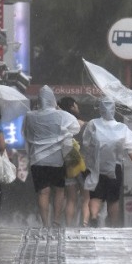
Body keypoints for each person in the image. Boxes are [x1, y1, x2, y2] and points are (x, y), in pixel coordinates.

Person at [23, 86, 81, 227]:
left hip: (37, 159)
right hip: (57, 159)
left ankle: (45, 224)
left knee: (43, 192)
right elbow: (76, 127)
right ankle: (56, 221)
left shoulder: (30, 116)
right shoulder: (61, 116)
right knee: (59, 190)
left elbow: (25, 133)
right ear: (52, 100)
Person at [82, 97, 132, 228]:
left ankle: (93, 216)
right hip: (115, 168)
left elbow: (86, 143)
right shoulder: (122, 128)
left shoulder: (93, 124)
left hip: (95, 167)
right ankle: (113, 225)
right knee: (113, 199)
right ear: (114, 110)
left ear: (101, 109)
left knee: (95, 196)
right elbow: (131, 147)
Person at [58, 96, 90, 227]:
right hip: (84, 165)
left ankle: (69, 225)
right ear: (72, 107)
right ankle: (84, 224)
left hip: (68, 164)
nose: (78, 107)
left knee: (71, 198)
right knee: (86, 198)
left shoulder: (61, 125)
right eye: (76, 105)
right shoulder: (85, 125)